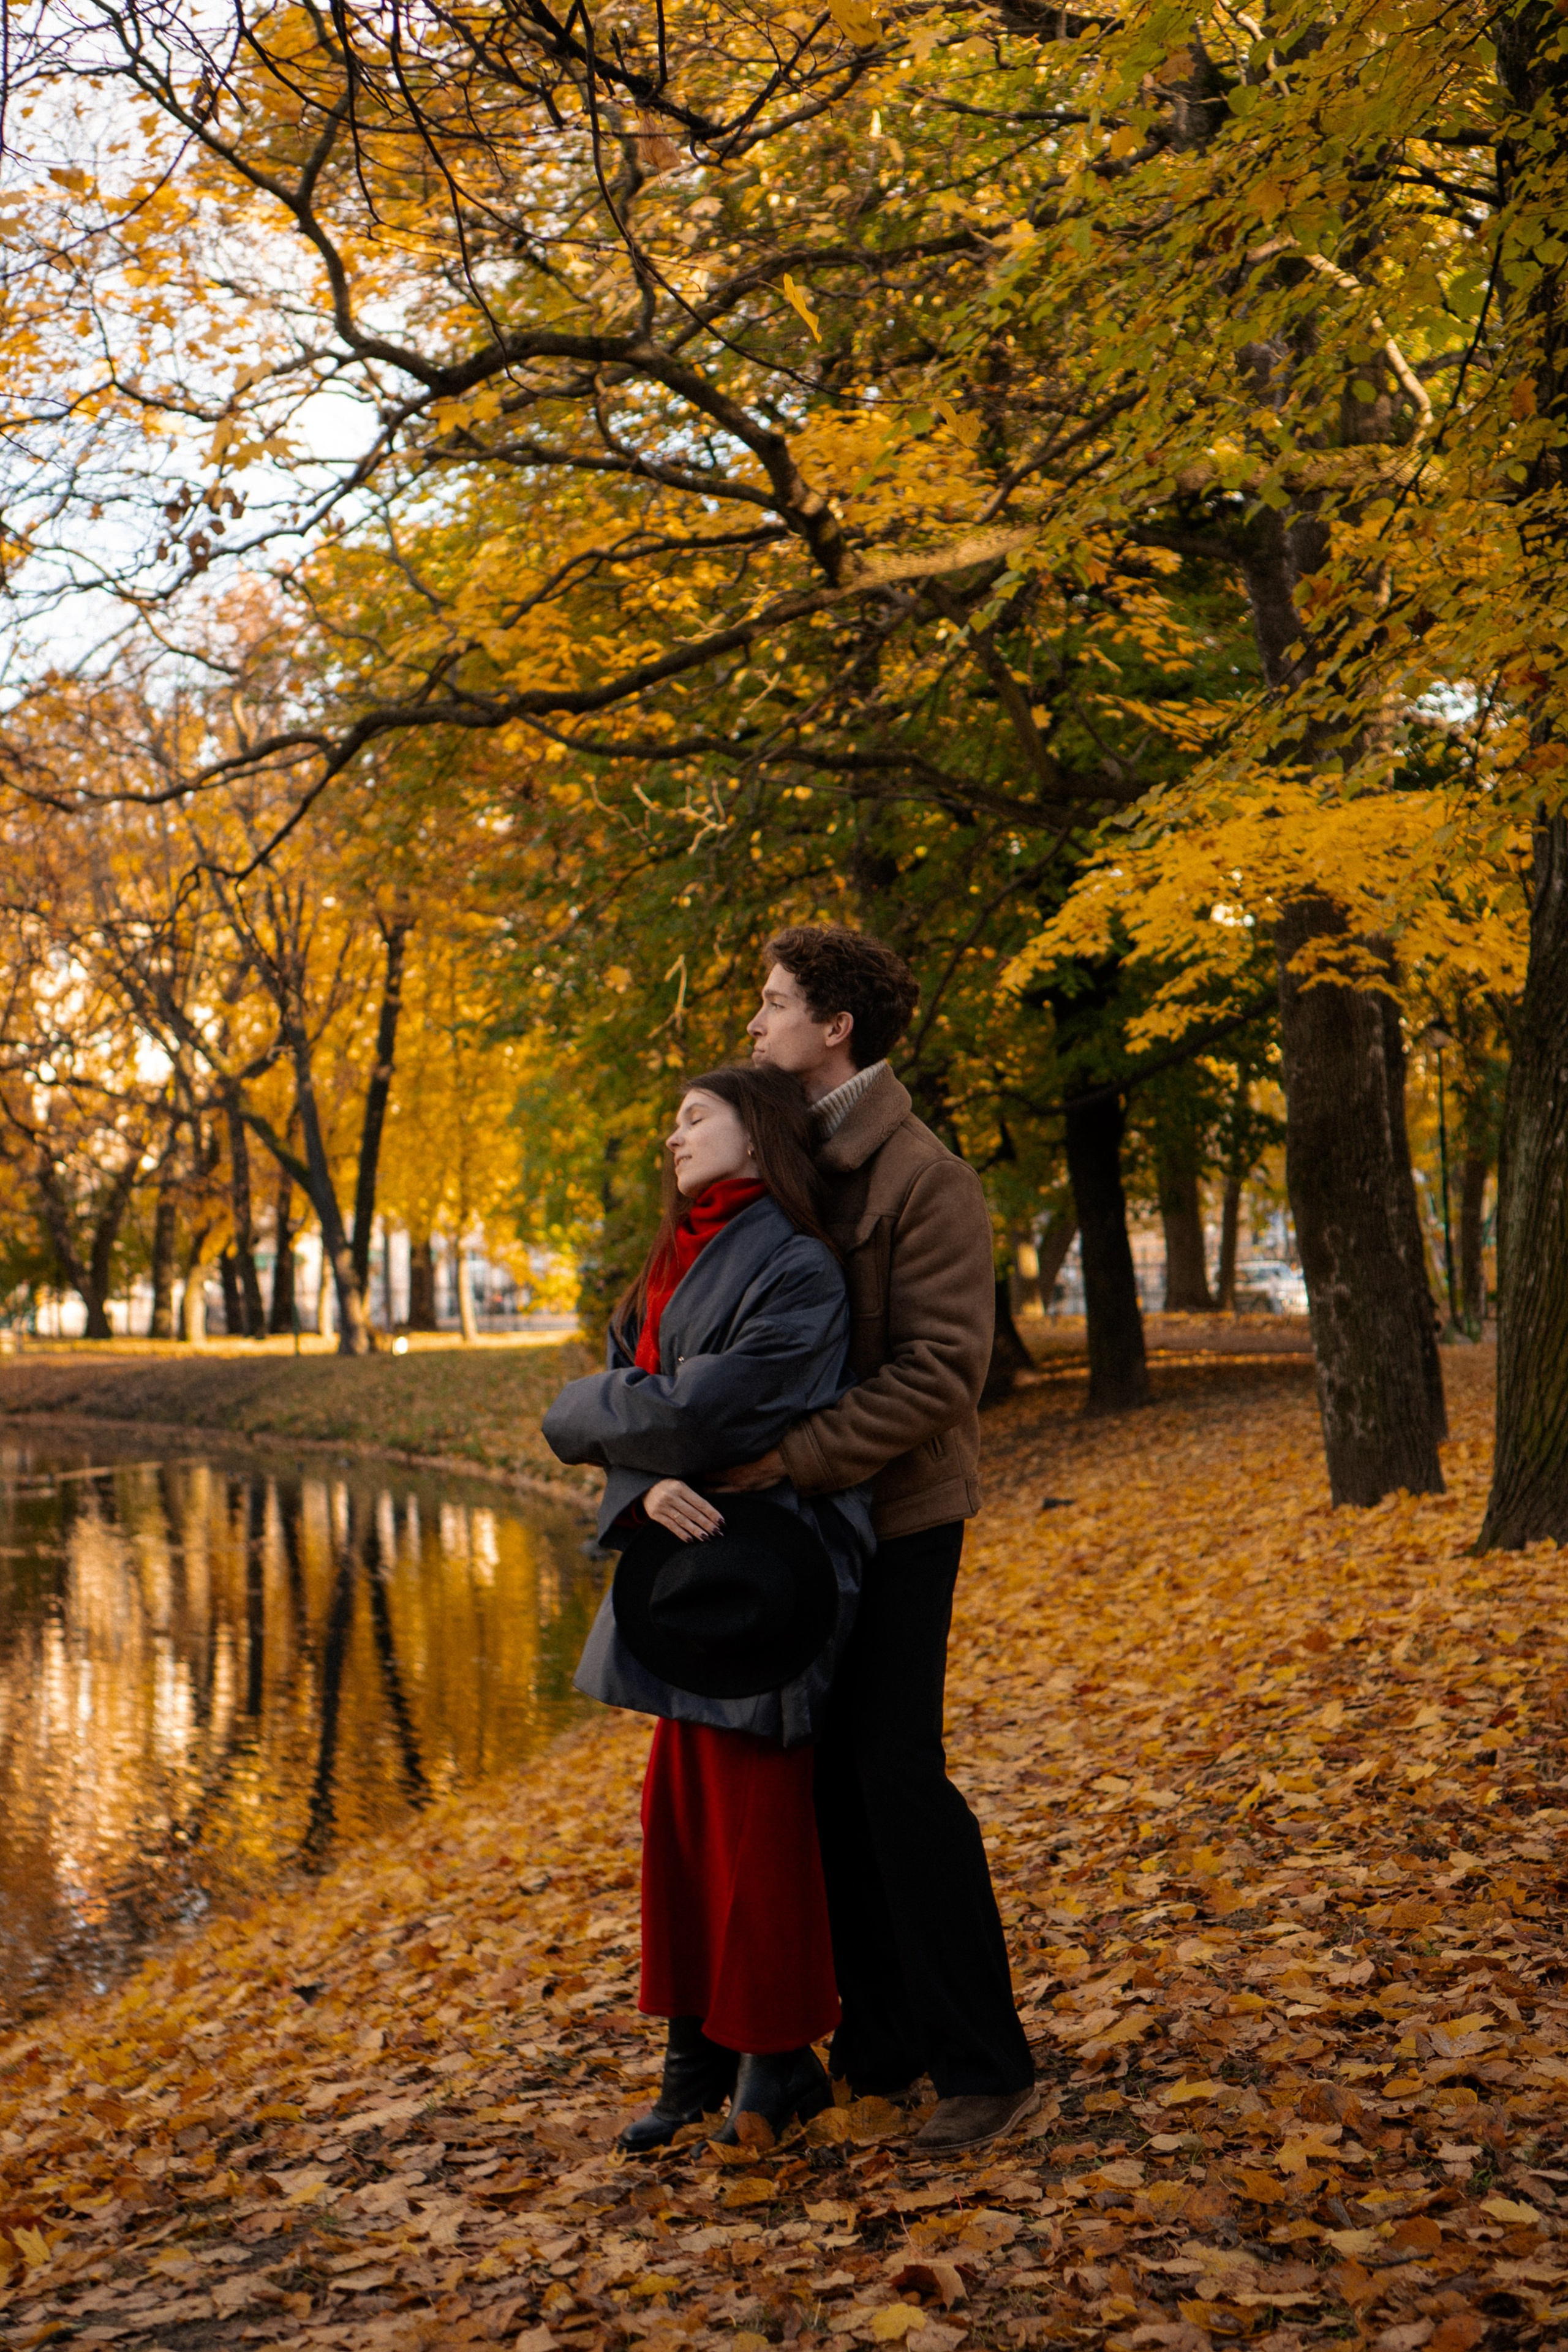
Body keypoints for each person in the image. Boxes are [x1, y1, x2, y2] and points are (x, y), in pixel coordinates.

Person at [720, 924, 1038, 2155]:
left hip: (898, 1518)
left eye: (775, 1001)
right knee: (835, 1795)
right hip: (806, 1535)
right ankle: (884, 2050)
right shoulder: (784, 1159)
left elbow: (939, 1378)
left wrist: (786, 1456)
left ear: (835, 1024)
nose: (757, 1022)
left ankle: (988, 2067)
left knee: (897, 1782)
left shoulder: (922, 1178)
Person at [541, 1062, 873, 2152]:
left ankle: (776, 2059)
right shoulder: (664, 1265)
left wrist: (623, 1429)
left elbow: (702, 1412)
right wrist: (641, 1480)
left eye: (694, 1118)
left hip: (767, 1578)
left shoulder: (798, 1266)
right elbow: (607, 1419)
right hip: (680, 1565)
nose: (673, 1139)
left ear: (758, 1131)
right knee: (677, 1822)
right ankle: (694, 2057)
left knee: (757, 1824)